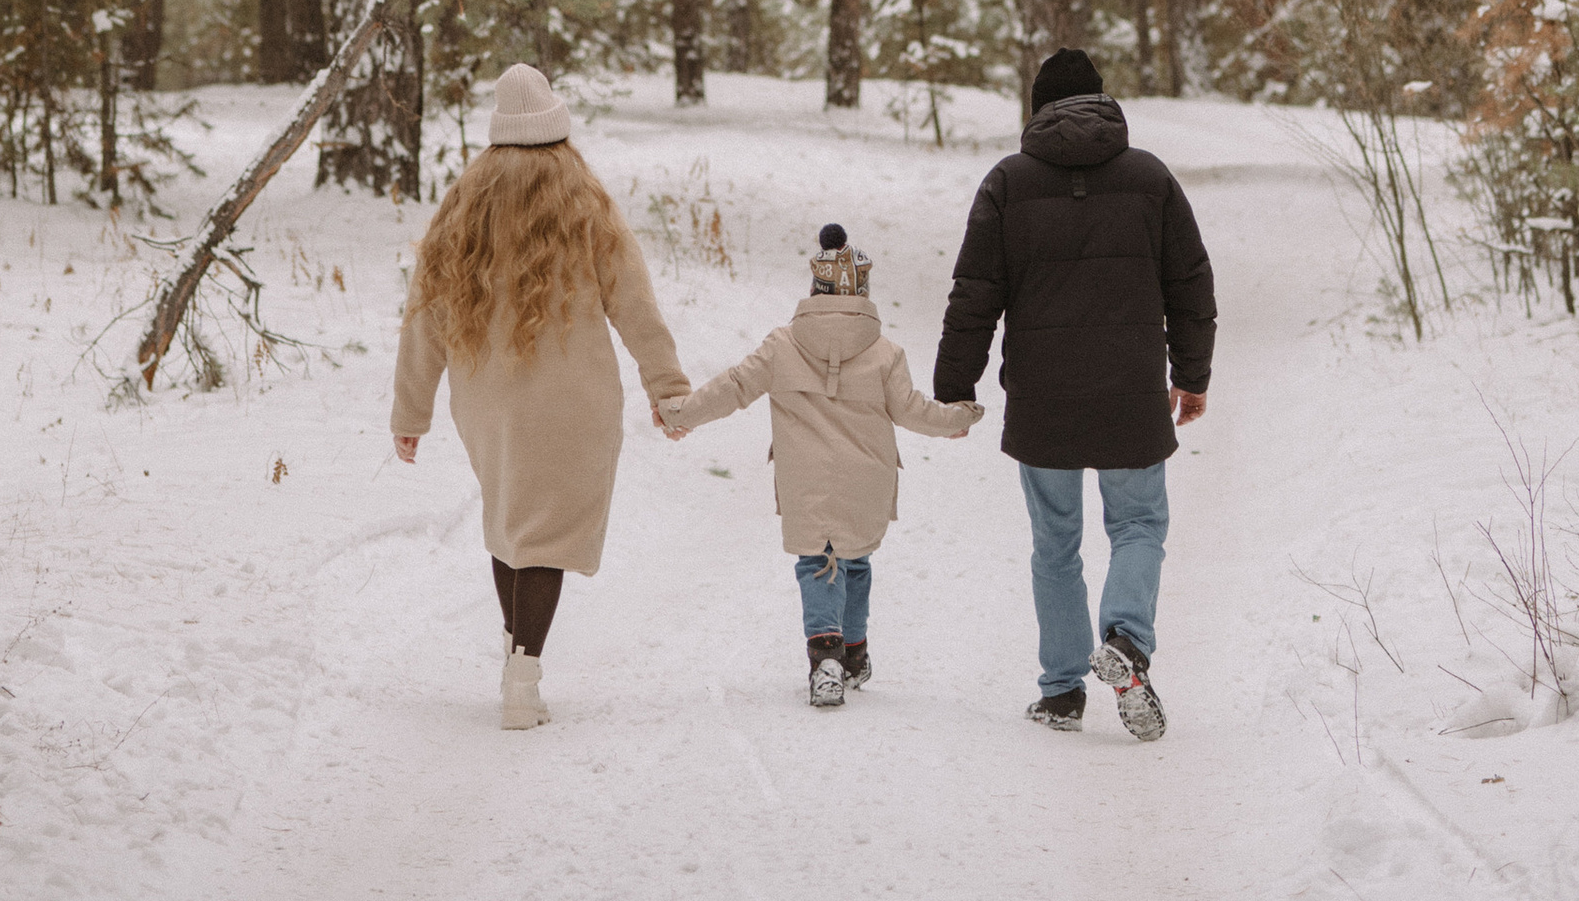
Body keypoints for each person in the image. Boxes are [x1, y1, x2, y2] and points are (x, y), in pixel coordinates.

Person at [391, 61, 690, 730]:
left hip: (487, 399)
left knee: (510, 521)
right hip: (572, 399)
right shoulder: (584, 198)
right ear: (555, 124)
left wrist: (411, 411)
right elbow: (634, 302)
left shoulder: (466, 199)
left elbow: (425, 311)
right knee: (545, 534)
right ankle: (523, 674)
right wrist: (666, 386)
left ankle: (514, 655)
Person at [933, 44, 1215, 740]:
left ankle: (1062, 692)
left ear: (1037, 111)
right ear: (1102, 102)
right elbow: (1191, 284)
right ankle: (1124, 640)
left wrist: (954, 384)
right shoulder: (1150, 178)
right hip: (1130, 391)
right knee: (1139, 524)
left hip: (1043, 395)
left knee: (1055, 543)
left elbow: (975, 294)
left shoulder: (1008, 182)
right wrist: (1192, 375)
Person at [664, 219, 982, 705]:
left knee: (818, 561)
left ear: (814, 291)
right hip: (867, 479)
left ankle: (825, 654)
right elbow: (913, 409)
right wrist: (957, 418)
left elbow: (731, 389)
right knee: (855, 561)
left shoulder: (781, 345)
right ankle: (854, 652)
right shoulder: (885, 352)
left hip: (804, 479)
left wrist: (678, 412)